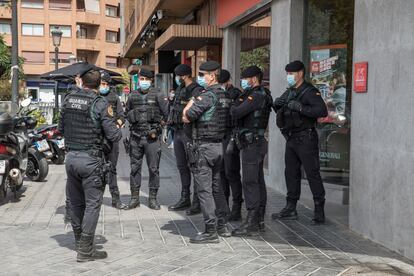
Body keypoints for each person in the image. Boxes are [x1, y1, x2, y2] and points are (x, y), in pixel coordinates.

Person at [59, 68, 122, 262]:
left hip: (70, 159)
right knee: (93, 205)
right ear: (99, 84)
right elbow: (114, 135)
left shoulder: (68, 99)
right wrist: (118, 125)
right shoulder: (100, 103)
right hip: (91, 161)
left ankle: (79, 241)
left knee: (76, 203)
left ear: (82, 81)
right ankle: (85, 250)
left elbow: (61, 128)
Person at [271, 60, 328, 224]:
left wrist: (301, 108)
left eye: (291, 74)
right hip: (291, 138)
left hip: (306, 138)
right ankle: (290, 208)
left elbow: (321, 111)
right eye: (287, 74)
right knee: (291, 173)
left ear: (300, 73)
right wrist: (277, 105)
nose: (289, 77)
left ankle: (319, 210)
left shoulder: (310, 91)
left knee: (312, 174)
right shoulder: (289, 91)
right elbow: (282, 110)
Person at [182, 61, 230, 243]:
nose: (200, 78)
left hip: (204, 148)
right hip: (218, 146)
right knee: (217, 188)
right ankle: (222, 225)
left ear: (212, 76)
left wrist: (191, 102)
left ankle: (211, 231)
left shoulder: (207, 96)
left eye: (203, 75)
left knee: (204, 190)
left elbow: (186, 117)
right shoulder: (224, 94)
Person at [230, 66, 273, 237]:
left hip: (252, 143)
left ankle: (252, 221)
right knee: (257, 180)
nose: (243, 82)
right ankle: (259, 219)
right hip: (257, 142)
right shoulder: (263, 94)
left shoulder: (256, 95)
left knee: (249, 181)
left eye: (245, 78)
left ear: (253, 79)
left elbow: (236, 112)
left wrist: (236, 102)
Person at [124, 68, 168, 210]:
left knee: (153, 169)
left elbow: (167, 115)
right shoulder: (132, 96)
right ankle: (134, 198)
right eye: (141, 79)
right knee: (134, 168)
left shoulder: (158, 94)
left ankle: (153, 199)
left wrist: (159, 128)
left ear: (151, 80)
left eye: (146, 79)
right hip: (136, 137)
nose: (143, 82)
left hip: (152, 139)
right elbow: (127, 114)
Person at [167, 64, 203, 216]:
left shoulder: (196, 90)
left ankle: (197, 202)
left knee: (194, 167)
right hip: (177, 131)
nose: (177, 79)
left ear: (184, 76)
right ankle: (185, 198)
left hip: (189, 133)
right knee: (182, 166)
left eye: (178, 76)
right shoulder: (180, 89)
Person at [218, 69, 243, 221]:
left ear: (227, 81)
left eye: (221, 83)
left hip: (230, 136)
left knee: (231, 173)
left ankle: (237, 208)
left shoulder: (236, 93)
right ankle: (224, 206)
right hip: (219, 136)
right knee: (221, 173)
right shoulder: (215, 93)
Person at [99, 71, 125, 209]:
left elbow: (121, 115)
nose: (104, 86)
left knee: (112, 169)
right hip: (97, 139)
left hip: (112, 139)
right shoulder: (94, 97)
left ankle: (116, 199)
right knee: (97, 169)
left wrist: (118, 124)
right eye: (102, 83)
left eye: (106, 84)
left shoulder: (114, 98)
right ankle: (97, 198)